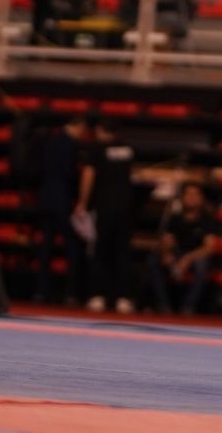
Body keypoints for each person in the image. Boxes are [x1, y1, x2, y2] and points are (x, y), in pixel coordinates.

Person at [81, 121, 137, 314]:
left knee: (101, 251)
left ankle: (98, 295)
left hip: (104, 207)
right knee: (122, 252)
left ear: (100, 130)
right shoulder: (128, 149)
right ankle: (123, 298)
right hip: (125, 208)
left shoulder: (96, 149)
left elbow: (88, 175)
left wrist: (82, 203)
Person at [33, 116, 89, 304]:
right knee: (71, 248)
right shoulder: (71, 146)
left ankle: (41, 291)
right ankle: (70, 293)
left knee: (46, 248)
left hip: (46, 200)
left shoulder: (49, 141)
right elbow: (70, 175)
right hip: (62, 201)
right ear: (77, 126)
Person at [147, 182, 219, 315]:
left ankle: (188, 307)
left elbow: (209, 247)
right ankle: (164, 306)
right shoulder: (175, 219)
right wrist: (166, 253)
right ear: (182, 198)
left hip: (195, 256)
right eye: (188, 194)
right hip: (177, 254)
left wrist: (188, 259)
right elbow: (167, 240)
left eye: (195, 194)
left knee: (202, 265)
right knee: (154, 260)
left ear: (201, 198)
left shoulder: (207, 220)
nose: (191, 197)